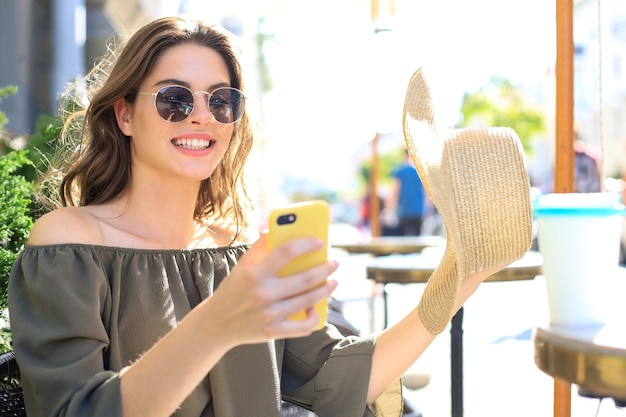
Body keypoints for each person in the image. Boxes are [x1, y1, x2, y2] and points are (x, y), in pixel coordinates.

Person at [8, 16, 509, 417]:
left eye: (222, 101)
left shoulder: (249, 244)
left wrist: (461, 275)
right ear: (123, 116)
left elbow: (337, 379)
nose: (202, 116)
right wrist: (218, 324)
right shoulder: (68, 242)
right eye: (174, 99)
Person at [383, 149, 427, 236]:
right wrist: (426, 209)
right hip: (418, 211)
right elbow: (426, 192)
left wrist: (388, 209)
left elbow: (394, 192)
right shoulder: (420, 172)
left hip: (404, 211)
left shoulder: (399, 172)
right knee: (417, 239)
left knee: (403, 240)